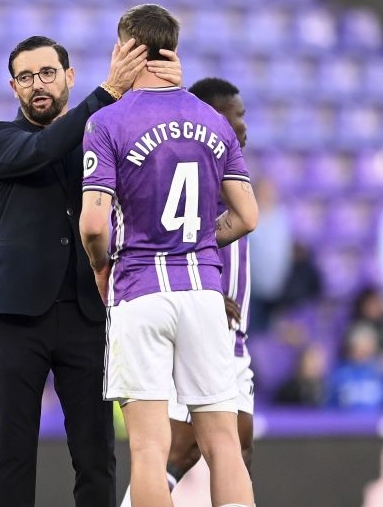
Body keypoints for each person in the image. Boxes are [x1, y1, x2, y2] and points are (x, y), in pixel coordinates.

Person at [0, 34, 182, 507]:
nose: (37, 85)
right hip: (16, 319)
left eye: (47, 73)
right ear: (14, 88)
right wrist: (108, 91)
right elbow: (44, 148)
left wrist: (167, 97)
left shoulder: (101, 137)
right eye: (26, 78)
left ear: (68, 76)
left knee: (95, 454)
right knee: (14, 450)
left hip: (87, 315)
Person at [79, 5, 258, 507]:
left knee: (149, 448)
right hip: (202, 291)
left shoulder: (107, 122)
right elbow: (246, 216)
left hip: (139, 289)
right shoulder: (212, 121)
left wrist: (101, 267)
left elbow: (94, 222)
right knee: (223, 443)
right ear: (172, 49)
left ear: (127, 49)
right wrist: (200, 240)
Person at [118, 76, 255, 507]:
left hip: (228, 332)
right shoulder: (199, 169)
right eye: (237, 118)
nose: (244, 127)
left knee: (236, 441)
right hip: (197, 324)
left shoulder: (229, 168)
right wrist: (208, 292)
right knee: (179, 448)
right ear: (212, 118)